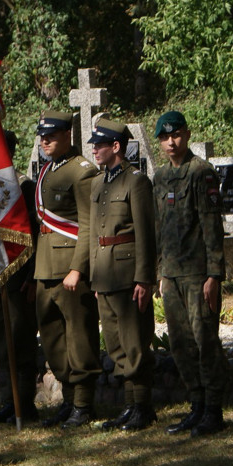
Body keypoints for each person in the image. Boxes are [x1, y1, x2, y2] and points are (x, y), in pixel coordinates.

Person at [153, 110, 228, 437]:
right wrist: (160, 271)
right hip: (171, 275)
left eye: (177, 135)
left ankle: (213, 410)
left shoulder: (201, 173)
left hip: (199, 275)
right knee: (181, 344)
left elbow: (213, 227)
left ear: (186, 134)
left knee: (205, 341)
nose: (172, 142)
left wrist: (215, 275)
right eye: (166, 137)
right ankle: (195, 406)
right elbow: (160, 227)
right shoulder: (160, 177)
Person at [32, 110, 101, 428]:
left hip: (69, 267)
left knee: (79, 336)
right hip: (45, 266)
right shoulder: (48, 169)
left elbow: (88, 225)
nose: (45, 140)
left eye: (52, 135)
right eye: (42, 136)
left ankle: (83, 405)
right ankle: (70, 399)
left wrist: (78, 268)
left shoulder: (81, 171)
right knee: (53, 338)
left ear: (67, 135)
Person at [87, 118, 157, 431]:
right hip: (105, 274)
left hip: (129, 274)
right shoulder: (98, 183)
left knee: (135, 342)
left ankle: (142, 406)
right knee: (115, 344)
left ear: (116, 146)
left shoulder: (136, 182)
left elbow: (145, 233)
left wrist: (145, 278)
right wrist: (94, 278)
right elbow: (93, 233)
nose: (94, 149)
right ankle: (129, 406)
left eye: (100, 144)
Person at [0, 130, 40, 425]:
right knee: (1, 342)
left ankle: (24, 402)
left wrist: (32, 276)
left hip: (19, 278)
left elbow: (35, 236)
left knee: (20, 341)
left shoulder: (24, 187)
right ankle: (9, 400)